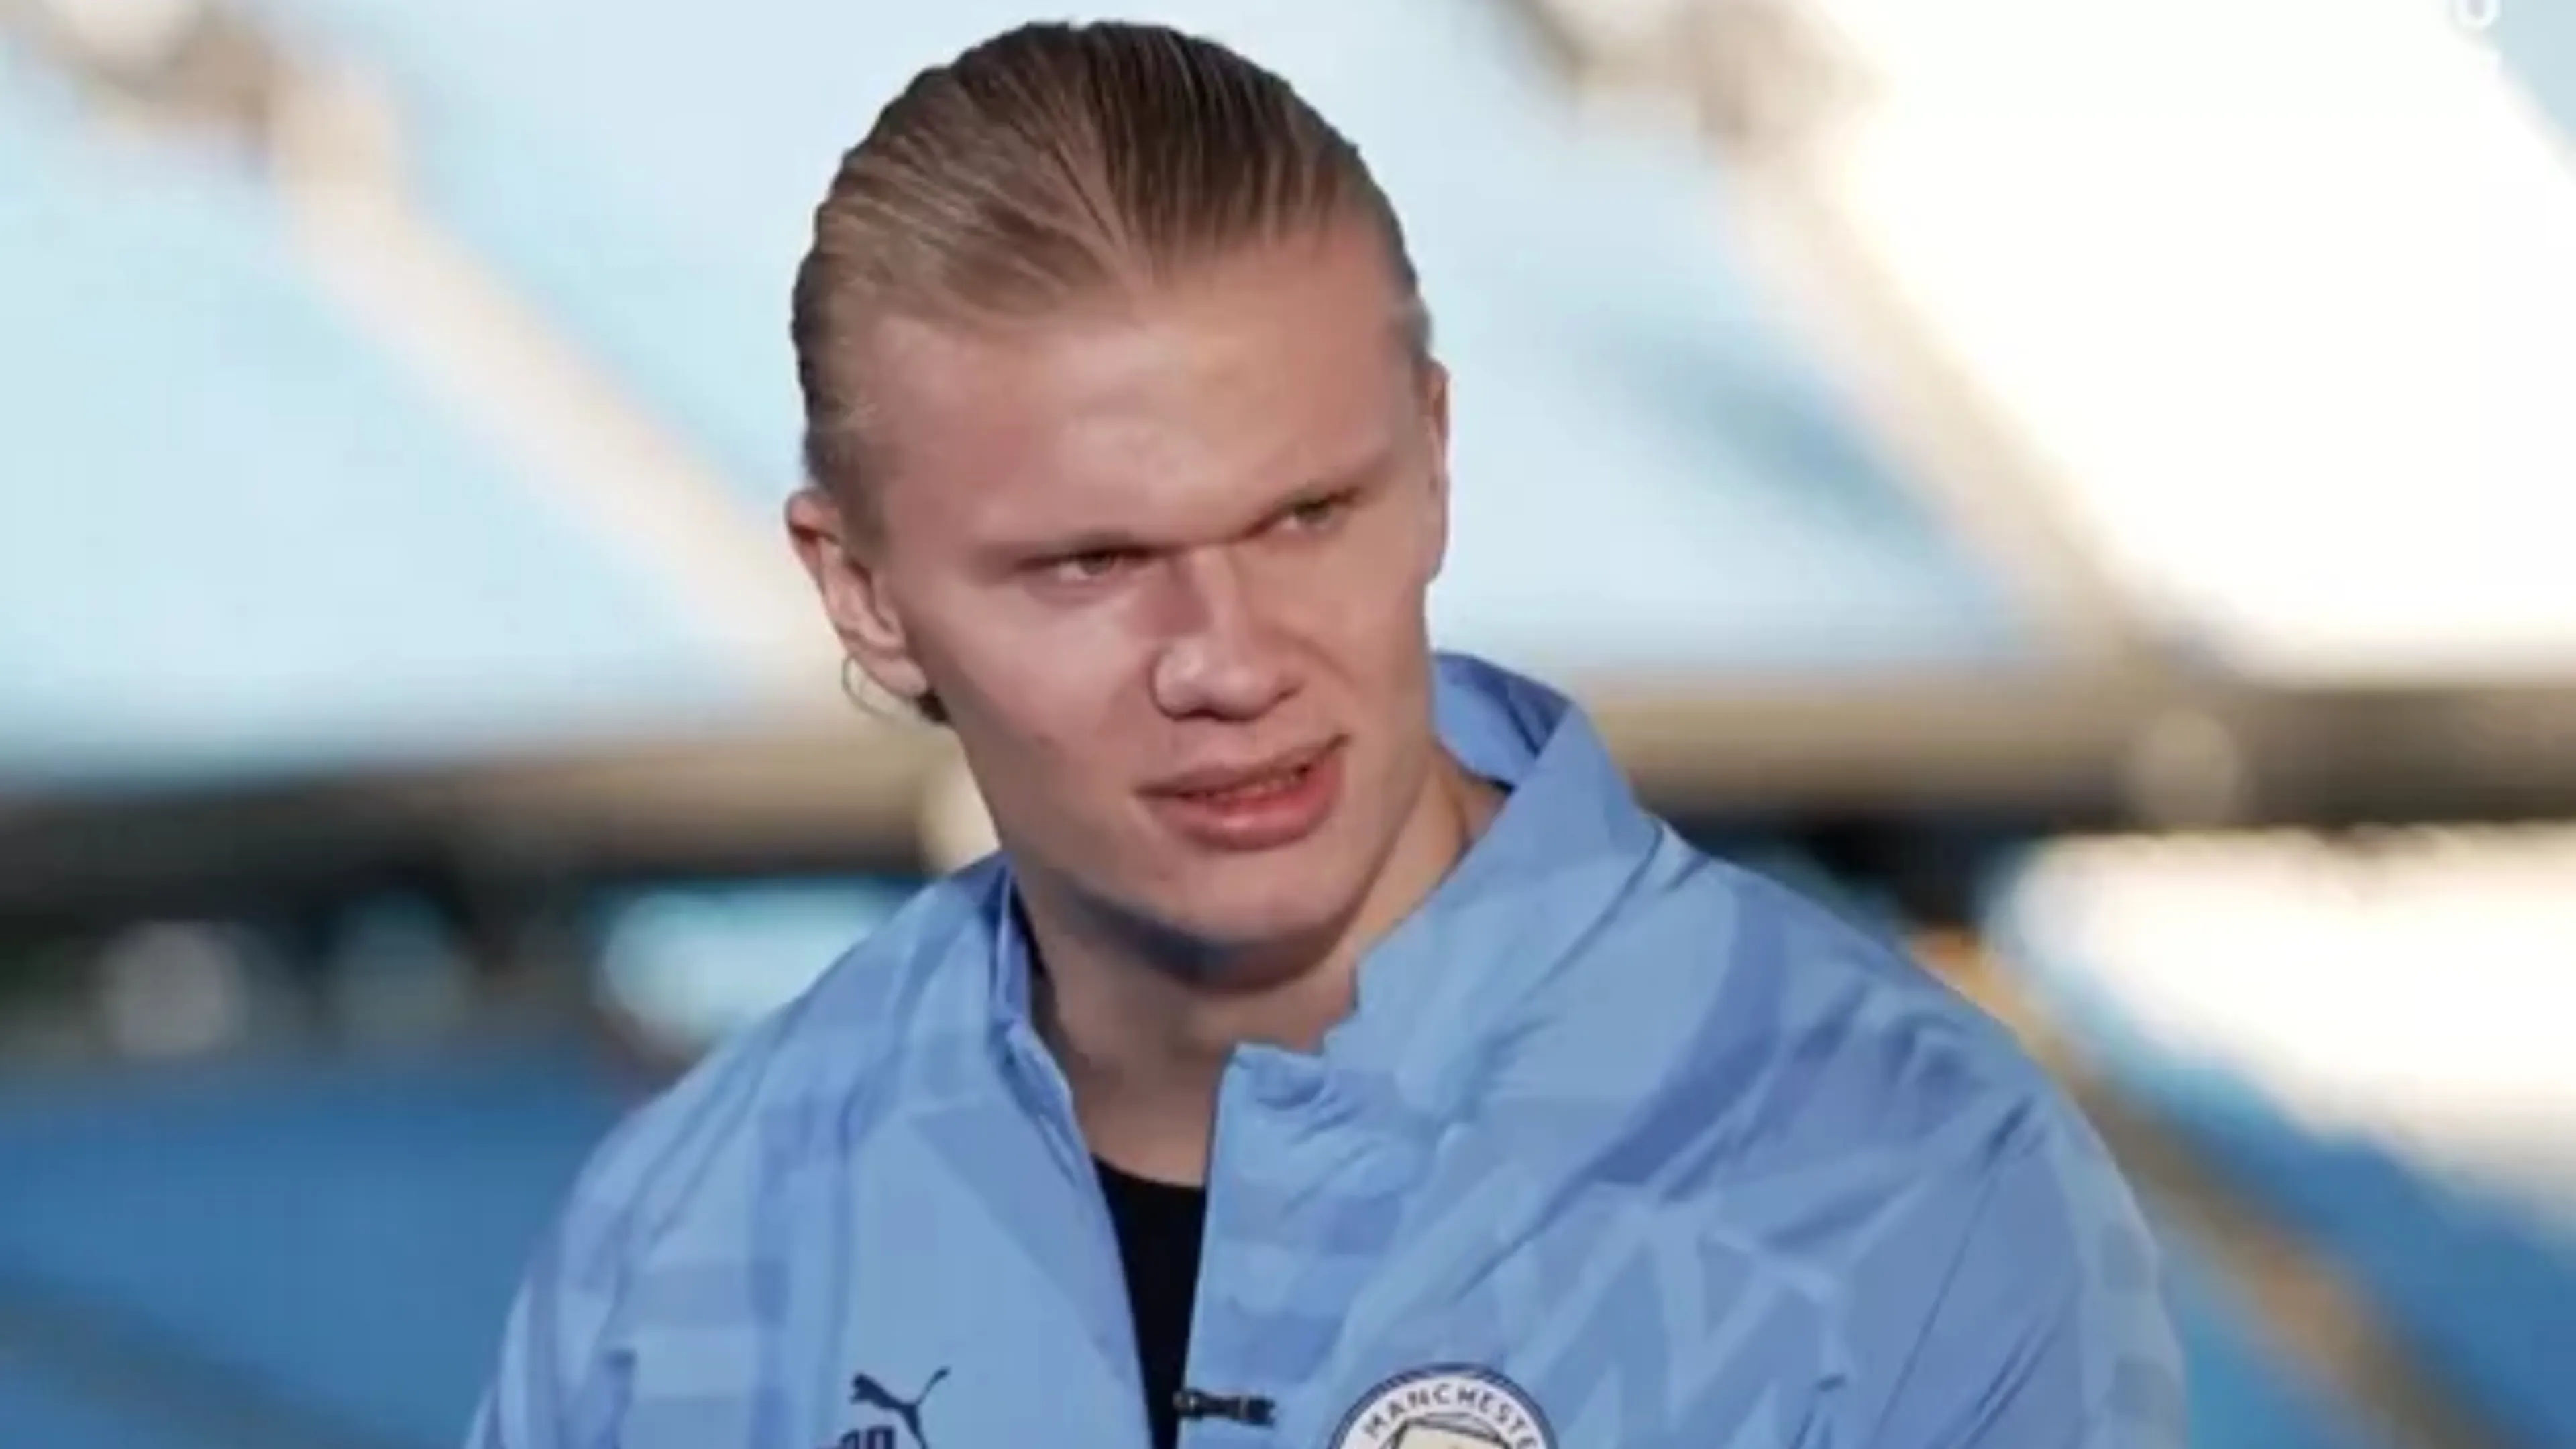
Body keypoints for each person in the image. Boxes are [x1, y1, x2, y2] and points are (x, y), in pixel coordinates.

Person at [468, 21, 2182, 1449]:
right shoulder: (683, 1250)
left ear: (1434, 460)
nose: (1228, 660)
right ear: (862, 594)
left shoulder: (1902, 1181)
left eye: (1305, 516)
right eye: (1094, 563)